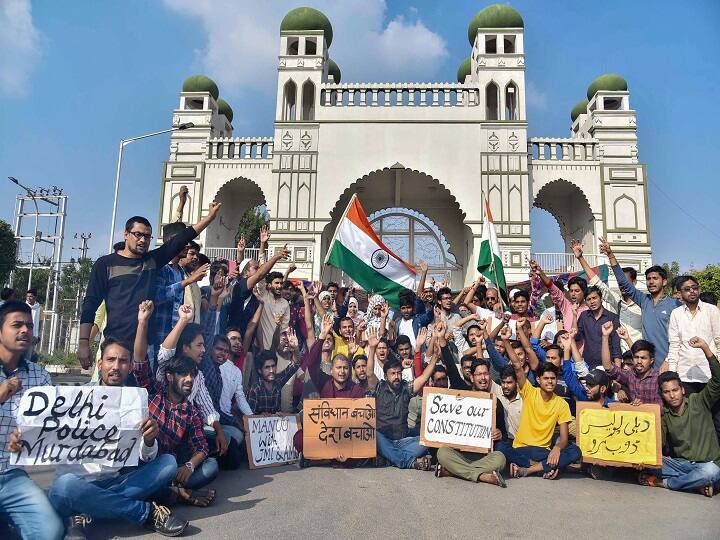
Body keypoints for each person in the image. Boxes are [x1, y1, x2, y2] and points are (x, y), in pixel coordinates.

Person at [40, 312, 187, 538]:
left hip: (116, 482)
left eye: (123, 361)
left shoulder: (135, 401)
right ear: (100, 364)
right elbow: (46, 439)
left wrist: (149, 440)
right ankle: (145, 513)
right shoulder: (75, 398)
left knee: (167, 463)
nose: (116, 366)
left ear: (129, 367)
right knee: (65, 487)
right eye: (110, 360)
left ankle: (83, 511)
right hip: (75, 482)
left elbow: (145, 456)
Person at [79, 205, 221, 369]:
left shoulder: (151, 261)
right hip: (115, 345)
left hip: (146, 348)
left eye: (147, 236)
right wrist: (83, 343)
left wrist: (209, 218)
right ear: (126, 234)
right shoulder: (105, 264)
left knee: (143, 393)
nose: (143, 240)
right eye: (138, 235)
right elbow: (90, 304)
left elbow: (180, 239)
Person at [132, 303, 218, 508]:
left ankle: (166, 489)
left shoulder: (191, 412)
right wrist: (142, 322)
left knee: (211, 466)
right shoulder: (153, 393)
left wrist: (189, 465)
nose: (189, 379)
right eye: (183, 374)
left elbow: (202, 447)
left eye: (192, 375)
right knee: (160, 465)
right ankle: (173, 491)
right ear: (170, 376)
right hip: (142, 464)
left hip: (169, 468)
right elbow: (140, 362)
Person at [0, 302, 64, 540]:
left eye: (29, 325)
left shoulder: (40, 375)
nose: (25, 330)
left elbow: (53, 424)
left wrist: (28, 437)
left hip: (13, 475)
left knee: (51, 531)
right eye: (17, 325)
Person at [639, 337, 720, 497]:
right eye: (667, 392)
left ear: (682, 390)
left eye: (675, 390)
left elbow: (718, 380)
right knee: (649, 463)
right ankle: (696, 484)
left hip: (708, 464)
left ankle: (665, 483)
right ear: (662, 394)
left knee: (711, 472)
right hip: (680, 465)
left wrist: (705, 348)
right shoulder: (665, 416)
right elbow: (658, 446)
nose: (672, 395)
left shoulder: (699, 401)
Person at [497, 342, 580, 479]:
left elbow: (564, 438)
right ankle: (542, 468)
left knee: (575, 451)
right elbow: (517, 366)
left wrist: (557, 448)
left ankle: (528, 469)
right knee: (500, 447)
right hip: (521, 448)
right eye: (546, 378)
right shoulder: (530, 392)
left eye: (552, 378)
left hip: (543, 451)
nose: (550, 382)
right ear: (538, 379)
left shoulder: (561, 404)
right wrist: (506, 341)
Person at [600, 237, 680, 368]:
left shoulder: (675, 305)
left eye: (655, 278)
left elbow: (680, 338)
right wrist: (610, 254)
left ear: (664, 281)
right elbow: (623, 282)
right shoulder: (644, 300)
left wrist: (668, 360)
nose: (651, 282)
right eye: (648, 279)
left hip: (670, 364)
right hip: (647, 366)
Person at [367, 324, 439, 470]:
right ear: (386, 376)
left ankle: (389, 459)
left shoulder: (406, 388)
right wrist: (373, 348)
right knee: (374, 435)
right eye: (393, 374)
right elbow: (369, 373)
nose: (397, 377)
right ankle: (410, 462)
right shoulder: (379, 387)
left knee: (428, 440)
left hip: (403, 441)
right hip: (383, 439)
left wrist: (436, 356)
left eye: (399, 373)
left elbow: (424, 376)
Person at [293, 314, 366, 458]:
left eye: (345, 368)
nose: (342, 372)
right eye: (338, 368)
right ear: (331, 370)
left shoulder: (355, 389)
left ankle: (318, 459)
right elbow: (312, 363)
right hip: (324, 433)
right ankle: (325, 456)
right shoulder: (324, 381)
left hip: (345, 435)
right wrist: (321, 337)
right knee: (299, 438)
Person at [435, 360, 508, 487]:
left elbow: (505, 434)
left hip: (483, 457)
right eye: (479, 374)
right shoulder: (463, 396)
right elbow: (452, 371)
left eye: (485, 374)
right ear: (472, 377)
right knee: (442, 453)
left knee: (501, 459)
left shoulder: (496, 403)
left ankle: (454, 472)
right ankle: (483, 476)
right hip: (459, 454)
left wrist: (500, 434)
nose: (483, 378)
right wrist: (442, 343)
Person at [571, 239, 642, 349]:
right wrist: (580, 257)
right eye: (620, 282)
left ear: (634, 282)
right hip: (623, 356)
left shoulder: (645, 304)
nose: (623, 285)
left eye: (626, 282)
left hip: (640, 355)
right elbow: (597, 282)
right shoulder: (618, 301)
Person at [601, 321, 662, 406]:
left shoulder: (658, 378)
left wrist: (644, 406)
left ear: (651, 360)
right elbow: (608, 367)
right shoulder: (630, 376)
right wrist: (605, 336)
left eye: (643, 358)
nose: (639, 361)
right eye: (636, 358)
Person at [531, 259, 589, 332]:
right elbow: (554, 289)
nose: (573, 294)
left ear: (584, 292)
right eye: (571, 291)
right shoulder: (567, 306)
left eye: (577, 291)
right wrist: (541, 273)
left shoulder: (590, 310)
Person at [575, 285, 622, 369]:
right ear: (585, 302)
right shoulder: (584, 316)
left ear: (601, 299)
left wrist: (618, 372)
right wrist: (574, 316)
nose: (592, 302)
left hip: (607, 365)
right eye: (589, 299)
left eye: (594, 298)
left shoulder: (612, 317)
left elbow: (616, 345)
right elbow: (576, 337)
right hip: (588, 365)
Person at [247, 348, 301, 414]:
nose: (271, 370)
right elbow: (249, 416)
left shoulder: (278, 382)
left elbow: (295, 365)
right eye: (267, 367)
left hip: (277, 422)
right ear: (260, 370)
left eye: (273, 366)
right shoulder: (255, 389)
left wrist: (296, 347)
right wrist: (260, 415)